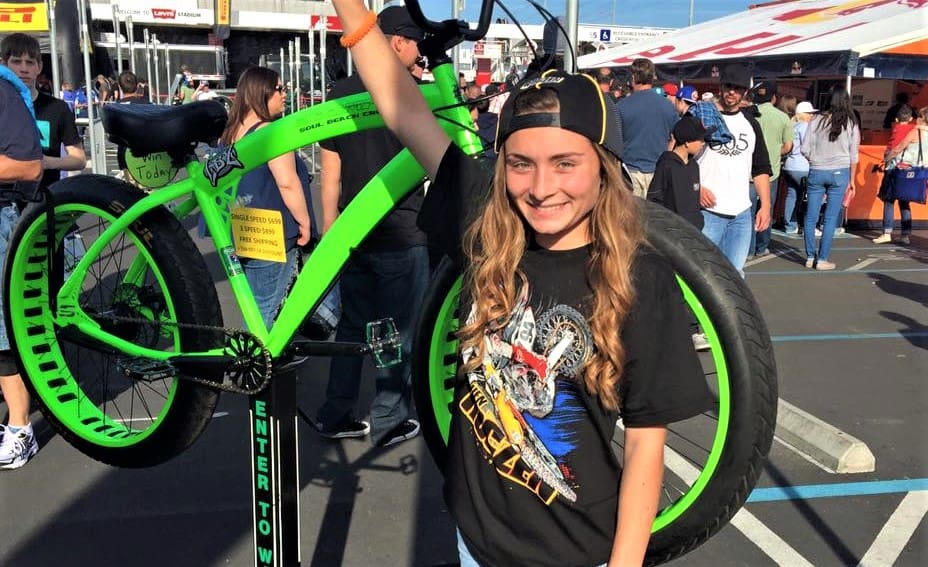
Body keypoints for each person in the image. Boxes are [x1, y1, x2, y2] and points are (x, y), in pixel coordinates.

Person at [329, 1, 713, 564]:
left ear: (603, 166)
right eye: (520, 163)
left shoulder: (642, 278)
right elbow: (401, 107)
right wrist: (350, 10)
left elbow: (646, 445)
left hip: (575, 551)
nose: (540, 187)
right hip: (474, 542)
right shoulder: (486, 227)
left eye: (565, 163)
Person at [313, 4, 429, 448]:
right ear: (395, 41)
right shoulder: (410, 92)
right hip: (403, 229)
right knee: (397, 331)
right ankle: (388, 419)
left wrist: (331, 234)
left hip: (353, 234)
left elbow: (331, 171)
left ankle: (335, 412)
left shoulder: (339, 92)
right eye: (415, 42)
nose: (419, 52)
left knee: (352, 325)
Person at [218, 67, 313, 328]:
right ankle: (257, 365)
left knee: (254, 306)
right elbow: (287, 182)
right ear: (262, 93)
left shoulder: (230, 133)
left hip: (239, 229)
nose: (285, 94)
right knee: (265, 312)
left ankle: (256, 360)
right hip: (272, 233)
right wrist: (304, 222)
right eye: (280, 89)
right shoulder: (271, 132)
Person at [0, 52, 43, 470]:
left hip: (6, 217)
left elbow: (29, 167)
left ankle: (20, 429)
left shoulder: (4, 93)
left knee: (4, 332)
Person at [698, 63, 772, 277]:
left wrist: (765, 205)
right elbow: (678, 158)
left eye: (738, 88)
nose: (732, 92)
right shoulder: (702, 116)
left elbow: (761, 169)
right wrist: (698, 188)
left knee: (735, 275)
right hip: (708, 211)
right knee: (702, 274)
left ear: (745, 92)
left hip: (741, 213)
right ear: (721, 87)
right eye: (728, 86)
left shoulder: (751, 124)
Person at [2, 34, 86, 192]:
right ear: (4, 65)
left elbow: (79, 158)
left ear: (39, 67)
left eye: (30, 62)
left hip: (42, 204)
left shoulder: (58, 108)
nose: (24, 69)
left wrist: (47, 162)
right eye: (16, 61)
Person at [800, 86, 860, 270]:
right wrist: (852, 179)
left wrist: (815, 160)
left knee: (810, 216)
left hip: (817, 170)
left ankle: (810, 256)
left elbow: (804, 148)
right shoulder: (850, 123)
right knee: (830, 217)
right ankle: (823, 258)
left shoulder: (816, 120)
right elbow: (854, 154)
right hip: (840, 172)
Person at [615, 58, 680, 198]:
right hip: (658, 171)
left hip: (630, 171)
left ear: (633, 78)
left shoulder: (621, 106)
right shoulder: (668, 106)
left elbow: (615, 141)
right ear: (652, 78)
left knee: (631, 216)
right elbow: (676, 137)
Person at [749, 80, 794, 257]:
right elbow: (788, 145)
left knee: (748, 211)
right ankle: (762, 246)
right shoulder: (782, 117)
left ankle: (749, 248)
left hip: (749, 171)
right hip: (771, 171)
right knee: (767, 208)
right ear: (774, 98)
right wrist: (776, 152)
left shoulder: (748, 114)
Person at [875, 105, 926, 246]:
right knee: (905, 202)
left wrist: (886, 158)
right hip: (912, 171)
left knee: (889, 200)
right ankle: (905, 234)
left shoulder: (904, 130)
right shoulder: (920, 132)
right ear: (910, 118)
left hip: (896, 169)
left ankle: (887, 232)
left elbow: (896, 148)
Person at [647, 115, 709, 229]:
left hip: (694, 231)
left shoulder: (694, 166)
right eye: (700, 139)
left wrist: (698, 220)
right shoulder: (667, 165)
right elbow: (654, 200)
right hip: (673, 232)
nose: (703, 143)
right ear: (687, 143)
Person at [782, 101, 817, 234]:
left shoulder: (792, 125)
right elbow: (808, 147)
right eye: (811, 113)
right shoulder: (805, 127)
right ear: (805, 114)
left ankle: (790, 225)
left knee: (792, 195)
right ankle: (809, 226)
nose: (812, 116)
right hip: (803, 166)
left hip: (789, 166)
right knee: (812, 196)